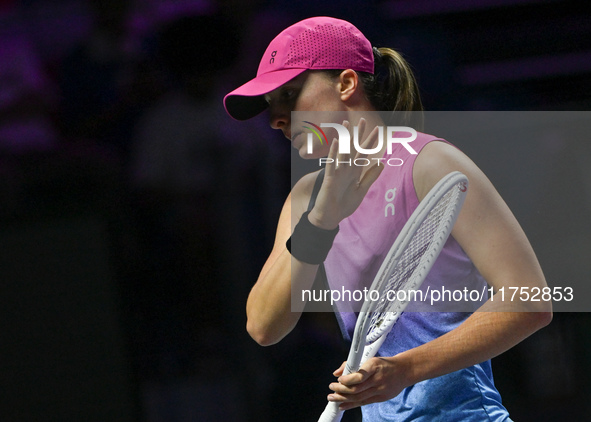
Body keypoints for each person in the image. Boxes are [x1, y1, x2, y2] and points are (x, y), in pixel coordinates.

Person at [223, 16, 552, 421]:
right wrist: (322, 220)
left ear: (346, 83)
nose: (276, 117)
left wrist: (404, 370)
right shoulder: (305, 198)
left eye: (289, 95)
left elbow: (531, 300)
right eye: (270, 106)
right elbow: (263, 326)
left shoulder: (431, 165)